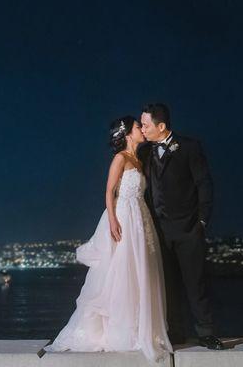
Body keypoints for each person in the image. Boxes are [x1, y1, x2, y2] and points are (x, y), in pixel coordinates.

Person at [45, 116, 172, 363]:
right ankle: (120, 330)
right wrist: (113, 219)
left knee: (141, 271)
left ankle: (141, 328)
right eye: (138, 127)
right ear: (127, 133)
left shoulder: (139, 159)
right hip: (124, 216)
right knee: (120, 271)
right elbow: (109, 191)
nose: (141, 130)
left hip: (140, 218)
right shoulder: (121, 158)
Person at [137, 103, 224, 350]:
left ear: (161, 126)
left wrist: (202, 221)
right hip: (158, 231)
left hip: (188, 229)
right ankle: (175, 332)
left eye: (145, 124)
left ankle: (206, 332)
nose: (142, 129)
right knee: (168, 285)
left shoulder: (189, 147)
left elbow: (204, 184)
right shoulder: (144, 153)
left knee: (195, 283)